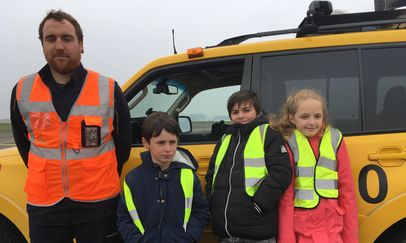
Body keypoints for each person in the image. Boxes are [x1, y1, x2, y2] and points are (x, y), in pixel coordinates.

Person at [9, 10, 131, 243]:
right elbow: (23, 143)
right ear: (42, 44)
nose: (59, 45)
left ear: (81, 44)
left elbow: (123, 144)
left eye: (66, 38)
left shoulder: (108, 88)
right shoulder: (22, 90)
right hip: (46, 205)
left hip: (99, 204)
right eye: (50, 38)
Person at [271, 89, 359, 243]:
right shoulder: (288, 141)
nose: (312, 122)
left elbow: (347, 192)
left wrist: (351, 239)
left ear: (323, 116)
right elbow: (286, 197)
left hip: (333, 229)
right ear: (292, 117)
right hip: (303, 230)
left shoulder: (335, 138)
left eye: (317, 116)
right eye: (304, 117)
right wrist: (287, 239)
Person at [205, 90, 292, 243]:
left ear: (257, 112)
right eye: (235, 112)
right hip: (226, 231)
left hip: (257, 230)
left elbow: (281, 173)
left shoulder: (269, 134)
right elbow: (212, 174)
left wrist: (260, 204)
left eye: (246, 110)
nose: (241, 115)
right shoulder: (226, 138)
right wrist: (212, 203)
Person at [117, 112, 209, 243]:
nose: (168, 149)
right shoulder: (132, 179)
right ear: (146, 142)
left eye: (172, 142)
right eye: (161, 143)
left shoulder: (187, 175)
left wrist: (190, 237)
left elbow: (200, 212)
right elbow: (124, 218)